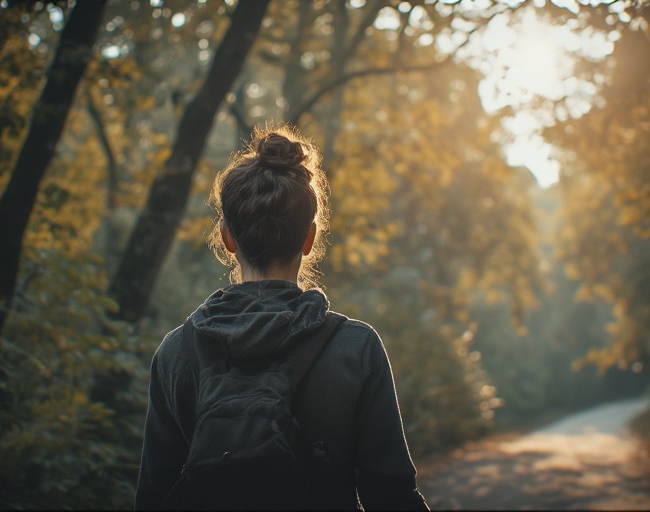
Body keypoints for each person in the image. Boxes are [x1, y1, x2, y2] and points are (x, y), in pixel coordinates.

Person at [134, 125, 429, 511]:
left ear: (227, 238)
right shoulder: (354, 348)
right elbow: (391, 496)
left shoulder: (176, 353)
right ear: (309, 239)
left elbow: (154, 499)